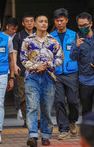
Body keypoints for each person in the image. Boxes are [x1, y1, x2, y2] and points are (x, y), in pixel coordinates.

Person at [21, 13, 64, 146]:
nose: (44, 24)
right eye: (41, 21)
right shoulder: (28, 40)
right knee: (32, 106)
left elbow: (60, 58)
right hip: (32, 77)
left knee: (46, 107)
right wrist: (35, 66)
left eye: (46, 21)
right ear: (35, 24)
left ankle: (45, 135)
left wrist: (49, 64)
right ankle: (32, 135)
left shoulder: (53, 41)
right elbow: (23, 59)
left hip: (48, 77)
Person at [50, 8, 79, 139]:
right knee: (59, 101)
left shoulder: (74, 35)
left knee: (73, 101)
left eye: (61, 20)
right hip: (56, 73)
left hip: (71, 72)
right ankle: (63, 129)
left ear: (67, 20)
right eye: (57, 21)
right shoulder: (50, 37)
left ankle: (72, 120)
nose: (59, 23)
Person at [13, 13, 35, 127]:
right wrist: (15, 65)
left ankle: (37, 120)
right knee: (23, 97)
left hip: (37, 71)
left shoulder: (39, 35)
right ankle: (27, 120)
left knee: (37, 95)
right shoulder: (18, 36)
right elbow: (14, 52)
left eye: (31, 20)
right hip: (22, 71)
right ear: (23, 23)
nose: (29, 23)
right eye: (27, 21)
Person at [3, 17, 21, 120]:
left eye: (15, 29)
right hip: (3, 68)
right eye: (12, 29)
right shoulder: (2, 36)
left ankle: (19, 110)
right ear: (7, 26)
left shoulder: (16, 37)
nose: (14, 31)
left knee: (17, 91)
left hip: (14, 67)